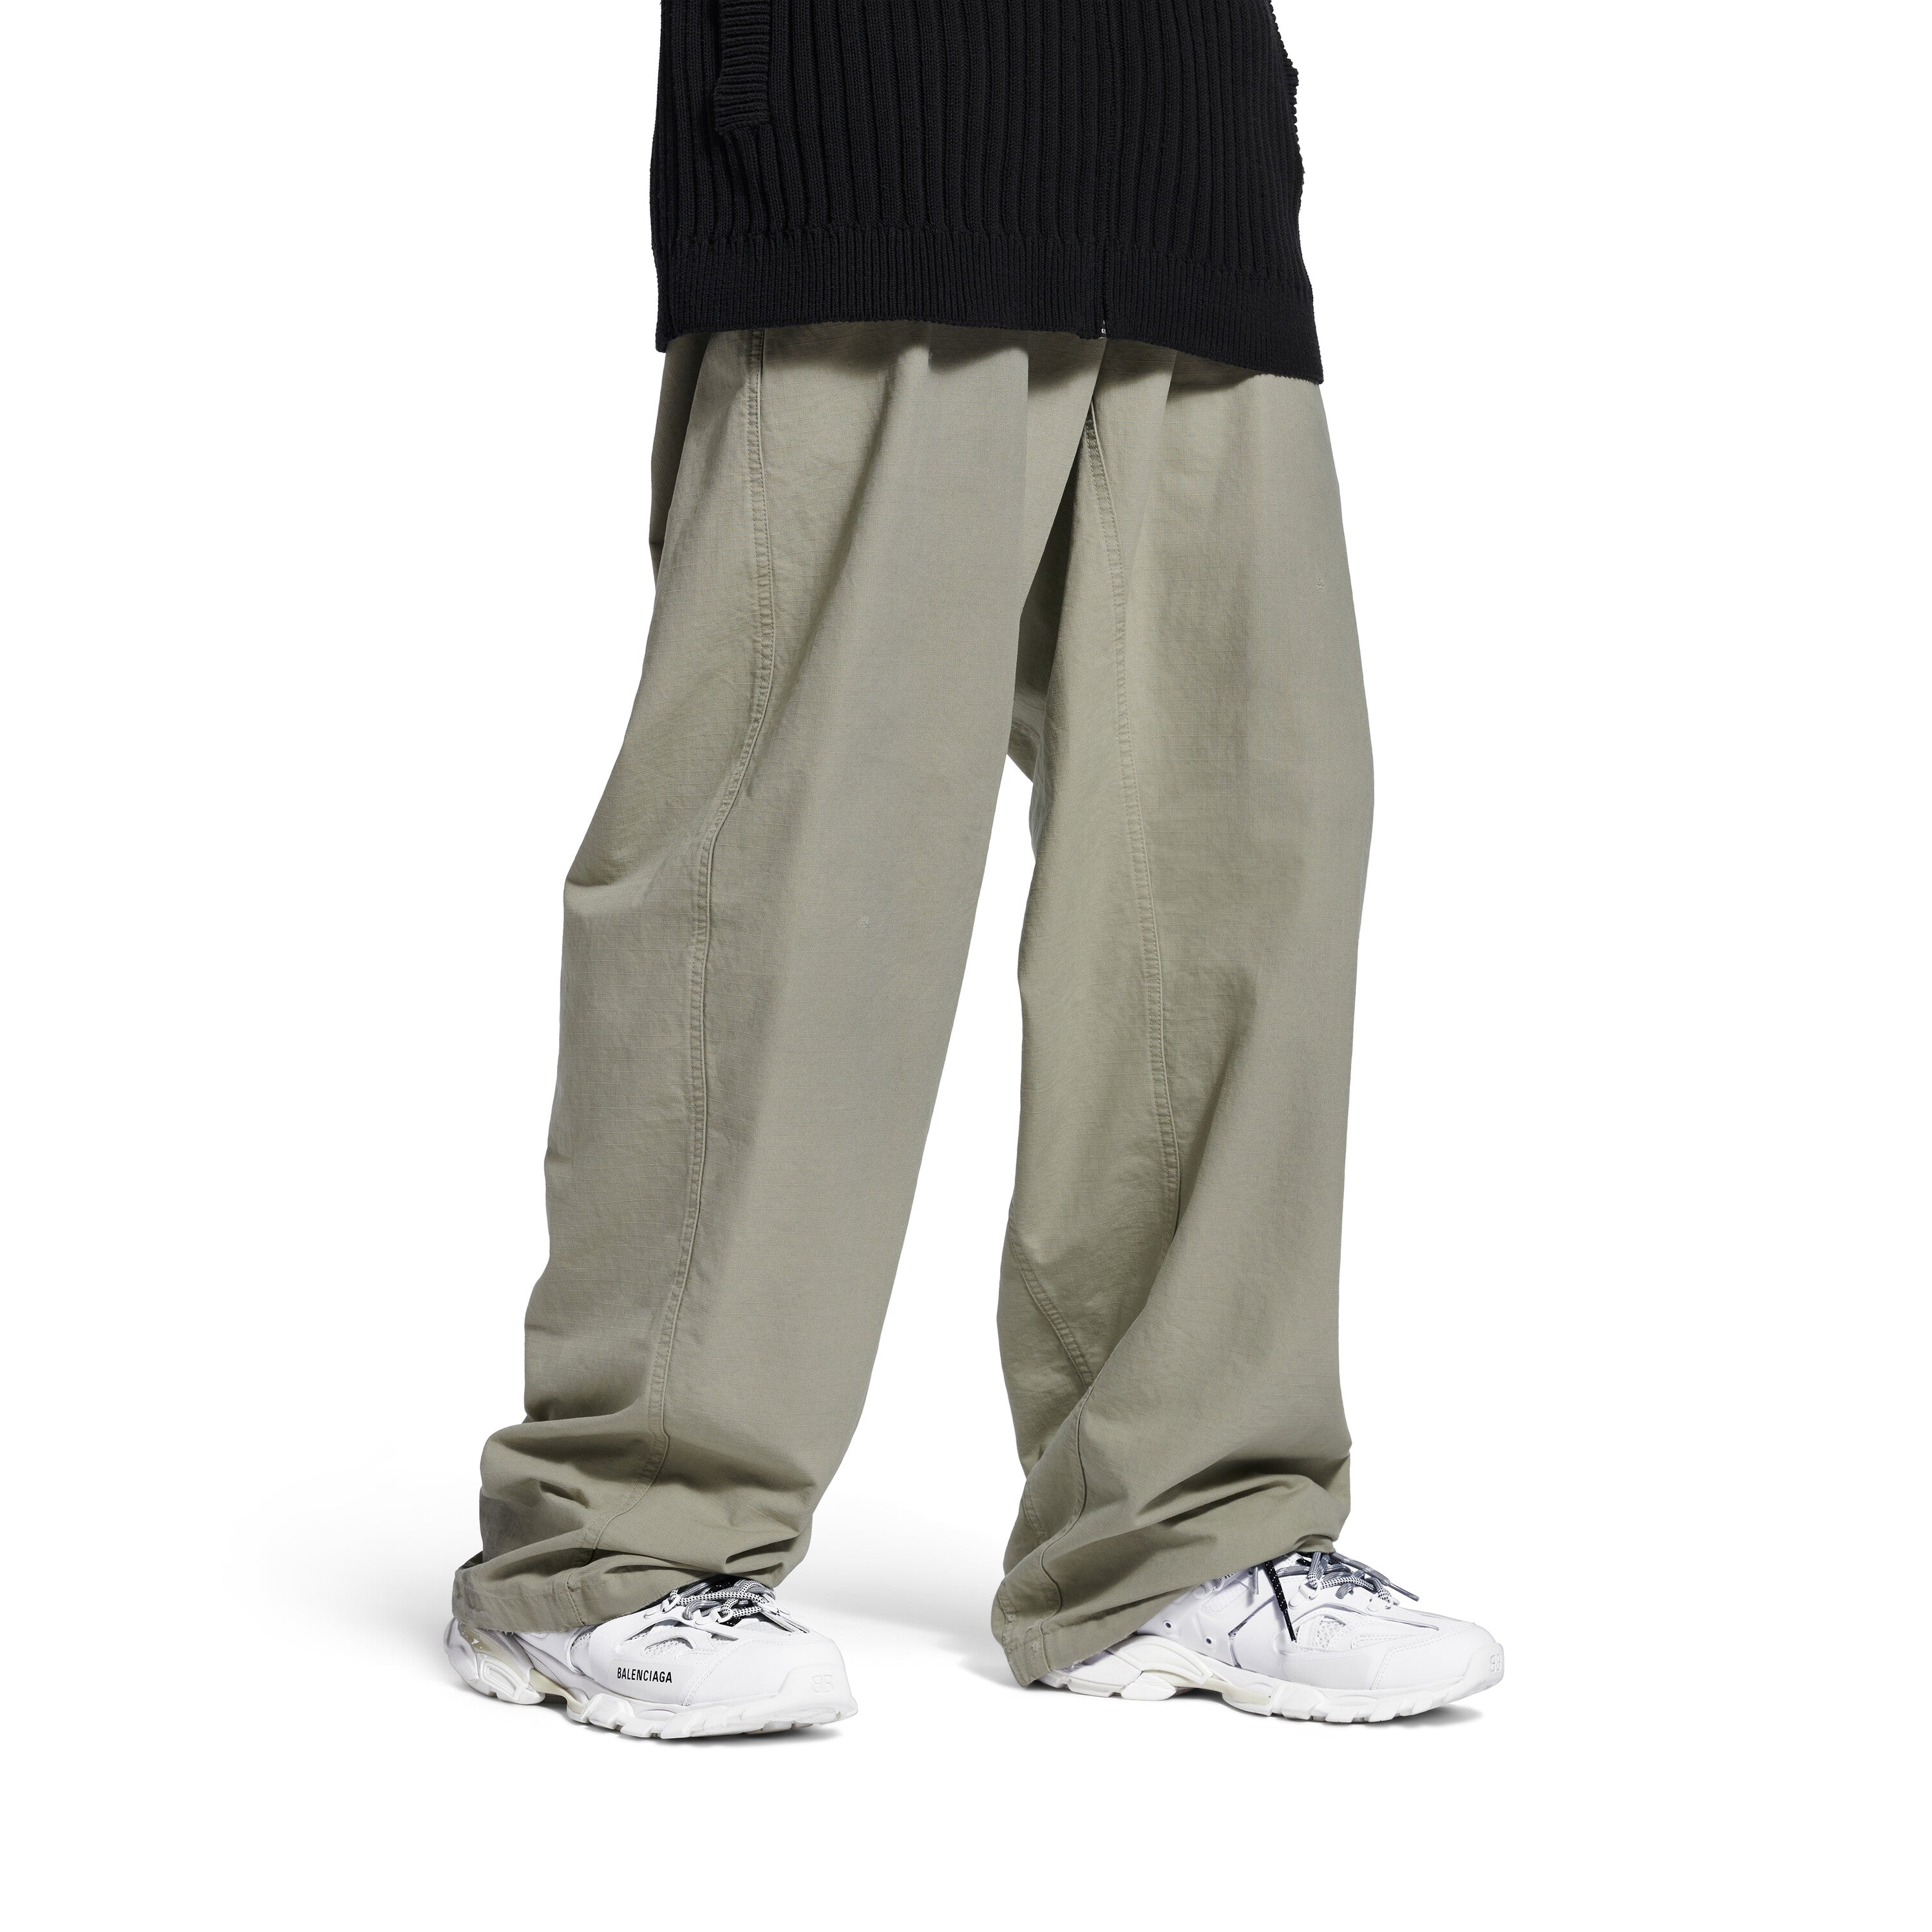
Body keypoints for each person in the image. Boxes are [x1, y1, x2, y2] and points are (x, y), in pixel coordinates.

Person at [446, 0, 1502, 1738]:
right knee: (803, 862)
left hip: (1185, 164)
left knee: (1239, 853)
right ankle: (621, 1541)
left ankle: (1185, 1530)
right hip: (883, 127)